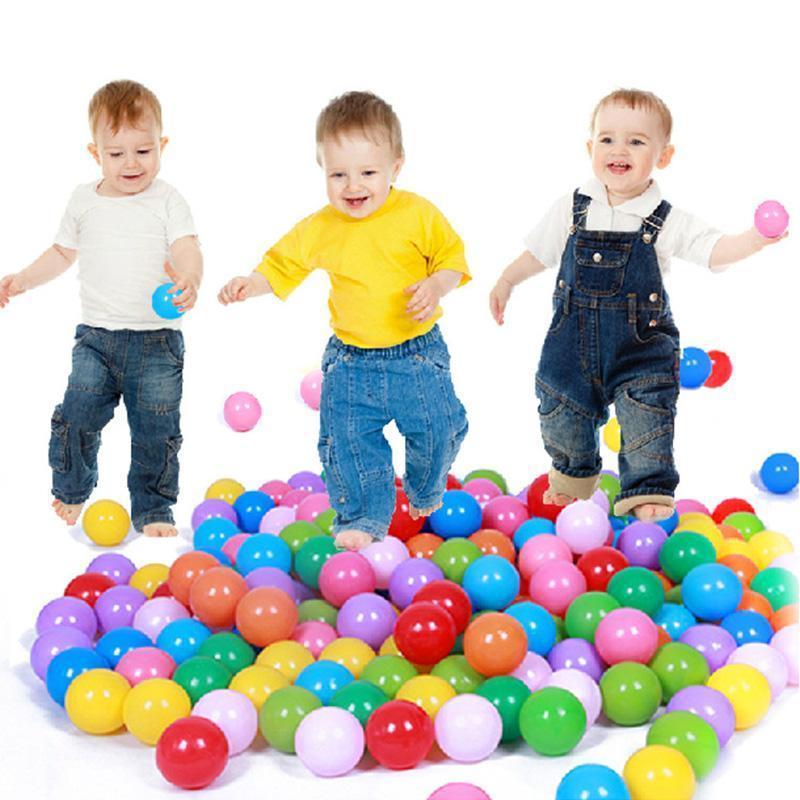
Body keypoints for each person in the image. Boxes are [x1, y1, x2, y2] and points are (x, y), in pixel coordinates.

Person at [490, 88, 786, 521]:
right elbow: (538, 252)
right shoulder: (573, 207)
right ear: (590, 148)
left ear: (663, 156)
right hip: (570, 347)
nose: (619, 150)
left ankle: (647, 490)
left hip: (640, 348)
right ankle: (573, 477)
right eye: (607, 139)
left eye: (636, 141)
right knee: (561, 410)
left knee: (648, 419)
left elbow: (713, 250)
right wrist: (507, 280)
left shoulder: (664, 218)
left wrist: (756, 239)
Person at [219, 91, 469, 550]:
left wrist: (435, 286)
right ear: (323, 170)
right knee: (348, 445)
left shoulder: (417, 214)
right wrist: (250, 284)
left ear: (396, 166)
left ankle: (424, 488)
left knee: (439, 429)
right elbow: (283, 263)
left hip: (416, 355)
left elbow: (452, 259)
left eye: (368, 173)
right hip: (351, 364)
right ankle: (362, 518)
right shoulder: (322, 226)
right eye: (338, 175)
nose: (353, 186)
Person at [0, 80, 202, 537]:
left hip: (157, 343)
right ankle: (72, 488)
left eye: (143, 151)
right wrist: (22, 280)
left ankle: (153, 508)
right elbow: (61, 253)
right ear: (96, 154)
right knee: (77, 415)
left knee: (157, 430)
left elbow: (187, 247)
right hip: (96, 339)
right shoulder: (83, 200)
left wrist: (190, 277)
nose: (131, 163)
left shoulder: (168, 199)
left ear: (162, 146)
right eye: (116, 153)